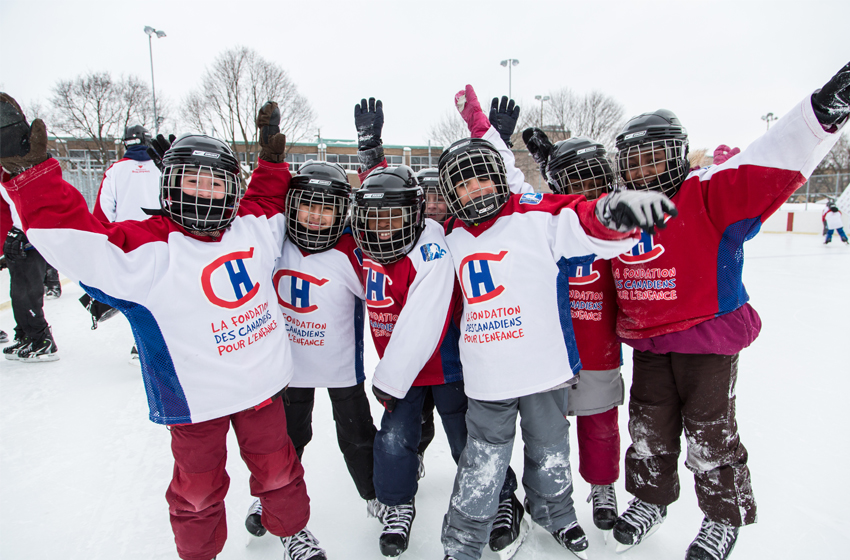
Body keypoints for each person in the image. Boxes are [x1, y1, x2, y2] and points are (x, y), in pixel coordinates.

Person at [0, 95, 327, 560]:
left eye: (217, 182)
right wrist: (32, 180)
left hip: (261, 389)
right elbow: (80, 244)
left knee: (279, 471)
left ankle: (291, 529)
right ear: (170, 186)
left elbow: (267, 200)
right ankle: (200, 554)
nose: (206, 191)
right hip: (195, 402)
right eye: (193, 180)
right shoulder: (149, 248)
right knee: (197, 491)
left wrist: (271, 163)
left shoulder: (250, 228)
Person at [606, 62, 849, 560]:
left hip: (705, 342)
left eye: (655, 159)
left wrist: (819, 115)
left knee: (710, 431)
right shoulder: (620, 209)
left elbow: (768, 158)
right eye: (635, 162)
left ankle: (723, 516)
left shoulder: (707, 191)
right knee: (648, 427)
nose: (645, 171)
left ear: (676, 156)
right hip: (650, 343)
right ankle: (651, 499)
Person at [439, 84, 676, 560]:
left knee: (550, 449)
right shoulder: (451, 238)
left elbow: (580, 222)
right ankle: (463, 538)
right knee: (482, 461)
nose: (475, 190)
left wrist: (615, 213)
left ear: (499, 178)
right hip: (488, 378)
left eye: (482, 179)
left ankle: (556, 513)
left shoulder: (534, 216)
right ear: (450, 195)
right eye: (462, 185)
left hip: (545, 369)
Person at [244, 160, 379, 539]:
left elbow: (387, 297)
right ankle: (272, 496)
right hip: (289, 369)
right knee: (287, 437)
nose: (317, 216)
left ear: (342, 210)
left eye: (327, 207)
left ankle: (375, 494)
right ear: (292, 204)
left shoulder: (352, 250)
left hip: (339, 369)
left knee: (356, 435)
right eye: (308, 205)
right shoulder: (274, 243)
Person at [522, 130, 626, 533]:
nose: (585, 190)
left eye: (592, 179)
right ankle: (549, 495)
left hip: (598, 345)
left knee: (600, 423)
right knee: (547, 430)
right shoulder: (549, 218)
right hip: (551, 347)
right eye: (573, 181)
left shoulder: (618, 217)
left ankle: (603, 486)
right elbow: (517, 198)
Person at [92, 124, 163, 361]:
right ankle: (158, 342)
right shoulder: (161, 166)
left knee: (137, 295)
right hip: (161, 238)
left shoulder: (115, 171)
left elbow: (102, 214)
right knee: (162, 292)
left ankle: (140, 342)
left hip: (128, 242)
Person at [0, 184, 59, 362]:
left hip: (26, 237)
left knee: (26, 290)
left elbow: (21, 201)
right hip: (16, 237)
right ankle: (26, 335)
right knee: (18, 292)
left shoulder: (11, 172)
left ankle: (41, 340)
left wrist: (19, 230)